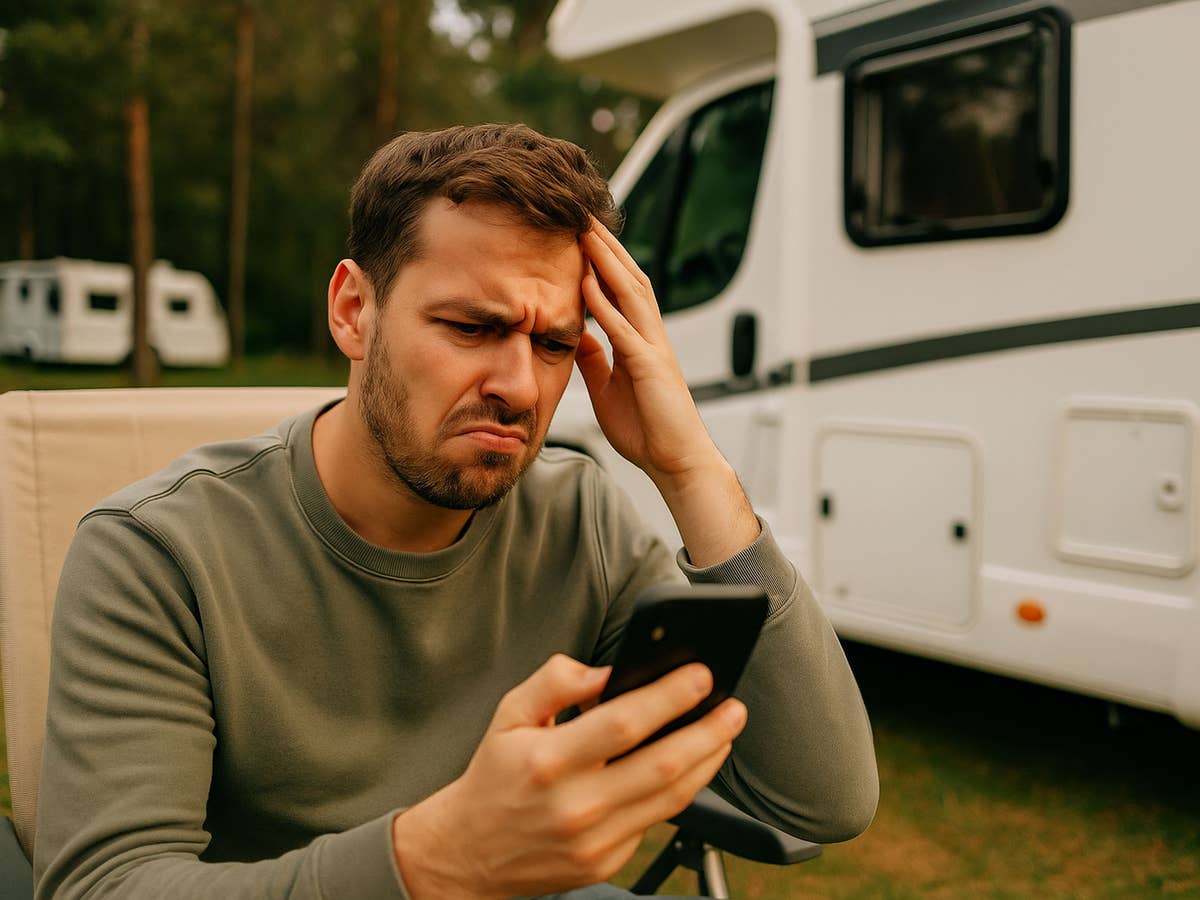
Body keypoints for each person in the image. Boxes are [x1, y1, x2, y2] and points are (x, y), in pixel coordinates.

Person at [34, 124, 878, 899]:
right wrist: (432, 859)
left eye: (554, 344)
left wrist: (687, 466)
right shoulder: (158, 553)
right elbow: (105, 886)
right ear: (353, 311)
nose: (518, 386)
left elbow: (822, 799)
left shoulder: (578, 518)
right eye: (472, 327)